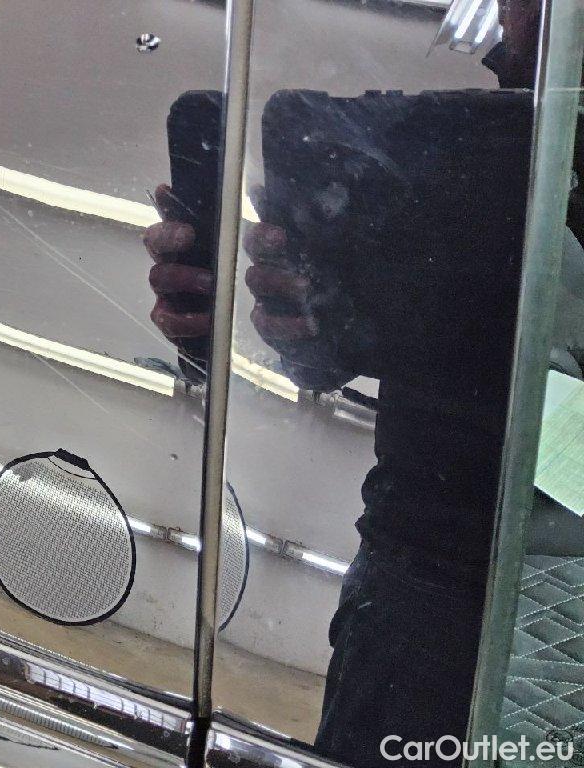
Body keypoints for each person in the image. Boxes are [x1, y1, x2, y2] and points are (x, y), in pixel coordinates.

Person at [144, 2, 555, 765]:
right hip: (419, 576)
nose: (516, 11)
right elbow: (333, 353)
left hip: (474, 570)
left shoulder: (476, 139)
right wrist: (290, 318)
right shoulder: (438, 143)